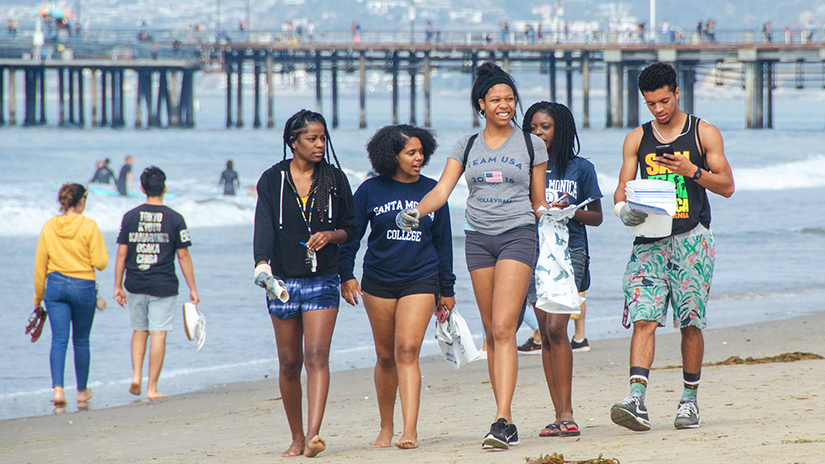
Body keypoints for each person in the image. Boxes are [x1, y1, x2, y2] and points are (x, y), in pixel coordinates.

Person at [396, 62, 548, 450]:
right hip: (479, 239)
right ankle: (505, 419)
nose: (505, 106)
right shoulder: (466, 145)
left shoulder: (532, 144)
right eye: (496, 100)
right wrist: (419, 210)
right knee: (490, 334)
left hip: (518, 234)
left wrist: (553, 212)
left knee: (503, 328)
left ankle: (501, 418)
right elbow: (442, 191)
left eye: (510, 99)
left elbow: (538, 201)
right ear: (482, 104)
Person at [610, 62, 734, 432]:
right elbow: (622, 186)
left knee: (690, 322)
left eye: (664, 101)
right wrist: (621, 209)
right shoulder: (636, 138)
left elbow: (727, 185)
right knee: (644, 316)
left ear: (677, 93)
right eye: (651, 104)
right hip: (649, 240)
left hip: (692, 238)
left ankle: (689, 401)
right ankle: (636, 399)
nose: (659, 109)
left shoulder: (703, 133)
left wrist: (690, 170)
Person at [339, 124, 456, 450]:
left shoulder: (433, 191)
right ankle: (385, 428)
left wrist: (447, 288)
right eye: (411, 153)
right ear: (392, 156)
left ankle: (410, 430)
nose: (419, 158)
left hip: (420, 278)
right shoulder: (370, 191)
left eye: (421, 152)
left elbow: (443, 242)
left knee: (407, 351)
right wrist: (345, 273)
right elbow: (352, 236)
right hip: (378, 281)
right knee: (385, 355)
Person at [253, 109, 355, 457]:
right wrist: (261, 264)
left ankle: (313, 435)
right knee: (289, 362)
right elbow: (264, 226)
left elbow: (351, 229)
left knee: (316, 355)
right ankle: (296, 436)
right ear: (292, 141)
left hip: (323, 279)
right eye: (311, 138)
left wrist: (331, 235)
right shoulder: (272, 179)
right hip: (280, 281)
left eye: (323, 138)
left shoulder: (335, 179)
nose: (319, 144)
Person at [522, 101, 603, 438]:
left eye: (546, 127)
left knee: (557, 328)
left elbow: (596, 217)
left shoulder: (580, 168)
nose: (539, 133)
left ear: (561, 129)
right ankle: (558, 415)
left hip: (570, 249)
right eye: (534, 128)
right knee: (545, 332)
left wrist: (571, 210)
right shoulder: (525, 168)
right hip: (533, 248)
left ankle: (567, 411)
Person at [113, 167, 199, 400]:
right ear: (165, 188)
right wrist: (192, 288)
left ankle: (135, 376)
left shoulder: (130, 217)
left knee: (139, 330)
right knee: (158, 334)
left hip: (135, 282)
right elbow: (183, 256)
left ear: (142, 189)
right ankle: (151, 388)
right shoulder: (175, 218)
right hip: (163, 285)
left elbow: (121, 254)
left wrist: (117, 286)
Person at [34, 183, 108, 408]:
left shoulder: (49, 226)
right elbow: (101, 263)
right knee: (81, 340)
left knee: (58, 339)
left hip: (55, 286)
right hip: (83, 286)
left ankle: (58, 390)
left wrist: (38, 297)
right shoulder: (89, 226)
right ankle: (82, 392)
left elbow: (40, 264)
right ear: (81, 201)